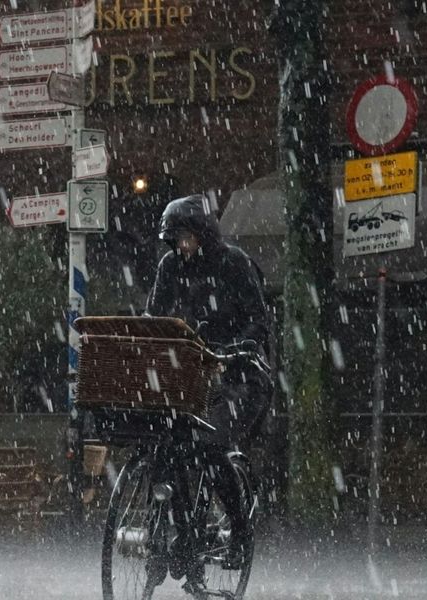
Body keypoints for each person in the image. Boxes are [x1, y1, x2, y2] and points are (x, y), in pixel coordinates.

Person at [146, 193, 272, 568]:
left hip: (240, 377)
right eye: (175, 240)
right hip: (193, 375)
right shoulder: (171, 266)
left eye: (186, 237)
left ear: (204, 234)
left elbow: (258, 321)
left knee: (211, 447)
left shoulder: (235, 263)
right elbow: (155, 315)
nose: (181, 247)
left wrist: (233, 349)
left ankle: (239, 532)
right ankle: (179, 526)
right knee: (164, 441)